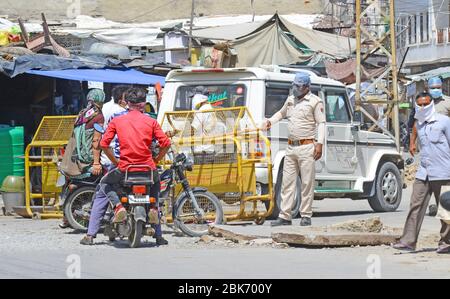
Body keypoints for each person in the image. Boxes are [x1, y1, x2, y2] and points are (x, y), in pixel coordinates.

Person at [80, 87, 171, 246]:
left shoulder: (117, 120)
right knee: (155, 185)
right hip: (148, 170)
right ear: (143, 104)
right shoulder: (151, 121)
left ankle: (107, 218)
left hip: (125, 169)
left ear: (127, 103)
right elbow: (166, 143)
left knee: (104, 185)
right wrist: (155, 160)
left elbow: (103, 144)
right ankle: (157, 224)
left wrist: (116, 162)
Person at [262, 72, 326, 227]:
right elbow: (281, 113)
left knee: (306, 183)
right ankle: (285, 216)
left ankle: (305, 215)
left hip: (307, 146)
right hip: (291, 147)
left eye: (299, 86)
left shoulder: (315, 102)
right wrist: (270, 121)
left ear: (306, 87)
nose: (295, 89)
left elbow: (322, 123)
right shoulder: (290, 100)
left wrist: (319, 143)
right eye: (295, 85)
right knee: (287, 183)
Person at [392, 92, 450, 253]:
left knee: (446, 208)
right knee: (415, 205)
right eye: (420, 105)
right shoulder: (419, 123)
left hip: (444, 171)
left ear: (431, 104)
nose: (423, 107)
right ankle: (408, 241)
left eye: (426, 104)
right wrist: (411, 142)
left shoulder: (445, 122)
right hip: (424, 171)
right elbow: (415, 135)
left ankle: (446, 242)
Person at [59, 88, 105, 229]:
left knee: (73, 184)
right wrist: (96, 163)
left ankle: (66, 217)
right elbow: (96, 141)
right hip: (87, 158)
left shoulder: (82, 114)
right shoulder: (98, 117)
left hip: (74, 159)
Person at [409, 77, 450, 216]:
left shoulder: (447, 103)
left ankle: (446, 236)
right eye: (433, 88)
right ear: (427, 89)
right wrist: (412, 142)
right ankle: (409, 237)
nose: (436, 90)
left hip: (442, 150)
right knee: (417, 200)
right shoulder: (421, 103)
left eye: (438, 87)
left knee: (445, 201)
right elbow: (416, 124)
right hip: (427, 153)